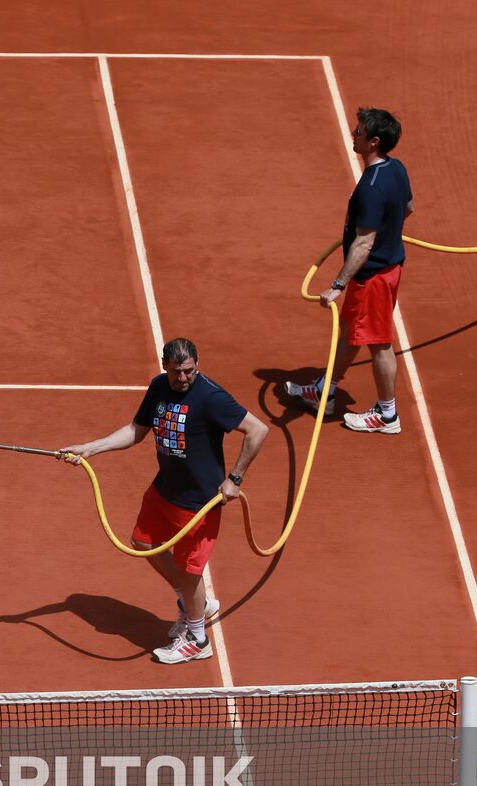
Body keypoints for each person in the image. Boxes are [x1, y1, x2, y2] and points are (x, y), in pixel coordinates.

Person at [58, 339, 270, 664]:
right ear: (164, 366)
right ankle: (190, 602)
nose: (183, 378)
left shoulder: (210, 396)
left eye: (189, 371)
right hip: (164, 490)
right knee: (142, 543)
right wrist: (90, 448)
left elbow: (257, 430)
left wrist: (235, 478)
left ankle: (198, 639)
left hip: (198, 503)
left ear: (197, 364)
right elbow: (135, 431)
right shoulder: (158, 387)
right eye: (176, 372)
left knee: (190, 572)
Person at [286, 107, 414, 434]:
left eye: (358, 132)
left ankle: (387, 415)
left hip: (372, 276)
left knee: (380, 342)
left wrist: (338, 284)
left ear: (373, 142)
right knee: (352, 332)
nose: (352, 134)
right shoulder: (396, 169)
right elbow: (408, 208)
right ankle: (325, 389)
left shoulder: (371, 186)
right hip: (387, 267)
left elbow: (363, 243)